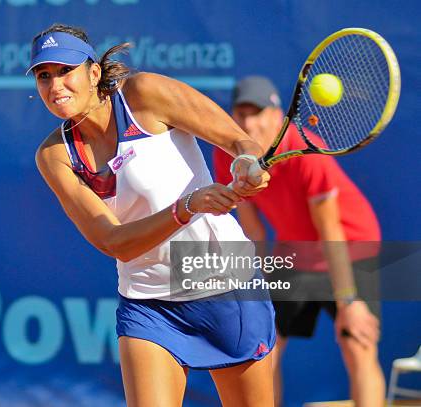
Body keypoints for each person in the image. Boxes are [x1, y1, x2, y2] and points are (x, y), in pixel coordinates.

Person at [30, 24, 276, 407]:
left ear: (94, 73)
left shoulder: (145, 94)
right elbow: (114, 242)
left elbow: (238, 141)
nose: (55, 84)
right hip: (148, 303)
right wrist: (188, 206)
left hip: (225, 284)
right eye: (44, 76)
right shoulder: (54, 156)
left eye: (65, 71)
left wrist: (247, 161)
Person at [213, 76, 385, 406]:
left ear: (277, 116)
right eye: (242, 113)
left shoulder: (307, 155)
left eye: (258, 113)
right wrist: (253, 288)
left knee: (357, 342)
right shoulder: (230, 157)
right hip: (296, 252)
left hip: (349, 247)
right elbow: (254, 232)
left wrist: (348, 301)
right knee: (264, 347)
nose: (249, 123)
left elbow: (330, 231)